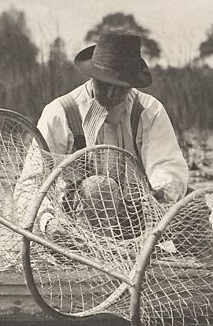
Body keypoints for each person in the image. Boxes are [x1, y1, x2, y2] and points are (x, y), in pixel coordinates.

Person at [15, 31, 189, 242]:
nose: (113, 95)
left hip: (137, 216)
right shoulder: (60, 113)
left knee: (192, 204)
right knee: (99, 187)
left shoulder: (149, 111)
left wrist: (160, 194)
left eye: (121, 88)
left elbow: (167, 166)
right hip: (77, 223)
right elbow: (30, 184)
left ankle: (202, 268)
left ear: (132, 84)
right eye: (105, 85)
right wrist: (47, 222)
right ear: (92, 77)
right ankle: (99, 261)